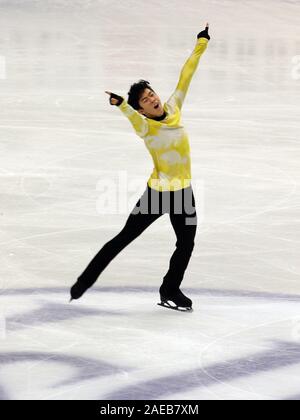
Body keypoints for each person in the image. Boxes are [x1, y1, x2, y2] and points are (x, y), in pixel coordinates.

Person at [70, 24, 210, 310]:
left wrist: (201, 43)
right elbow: (129, 115)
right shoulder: (145, 127)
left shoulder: (174, 107)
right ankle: (83, 282)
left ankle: (170, 289)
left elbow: (187, 74)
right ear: (142, 110)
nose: (153, 99)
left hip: (184, 192)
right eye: (146, 100)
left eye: (151, 94)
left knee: (186, 244)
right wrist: (121, 104)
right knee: (124, 238)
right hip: (157, 194)